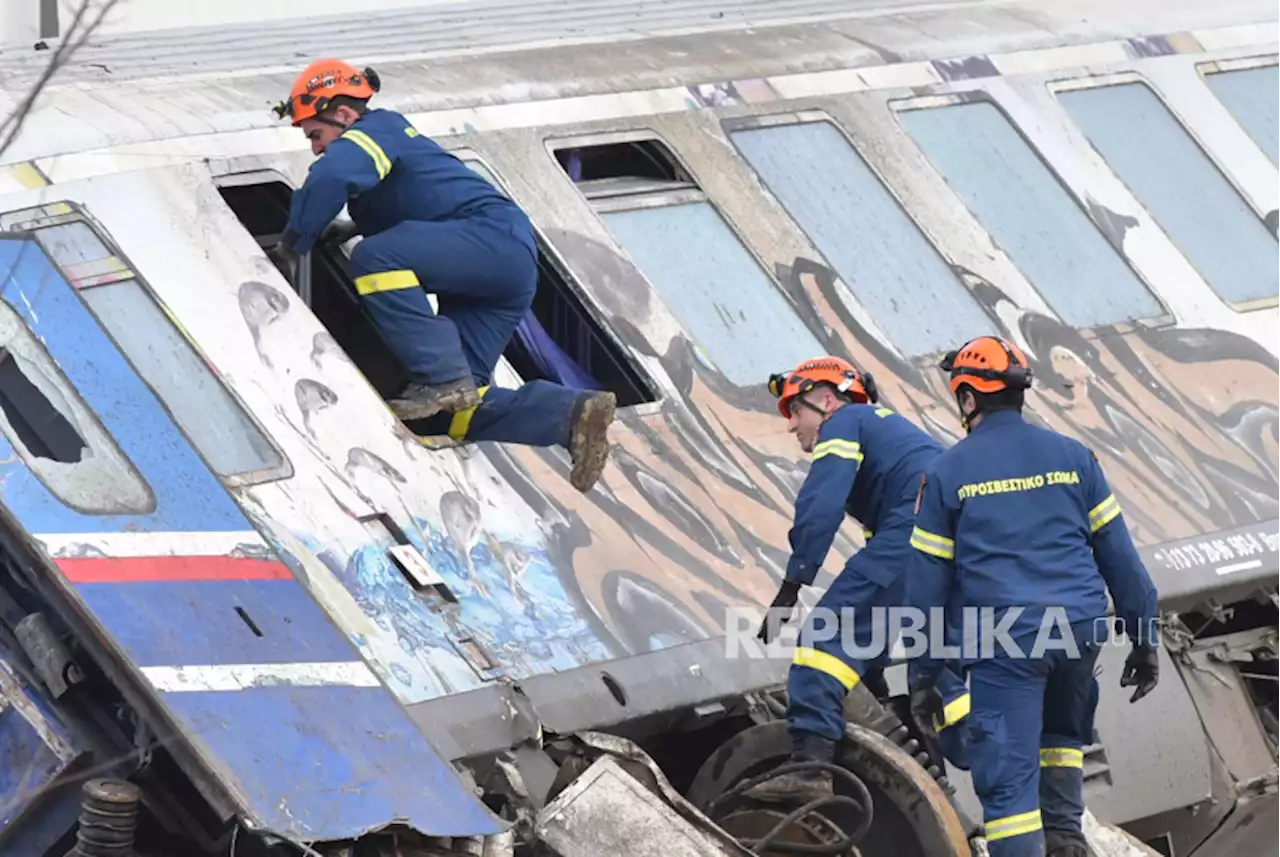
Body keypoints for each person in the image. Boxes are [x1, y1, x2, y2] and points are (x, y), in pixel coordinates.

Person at [271, 59, 615, 492]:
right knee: (459, 409)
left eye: (315, 135)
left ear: (343, 115)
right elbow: (422, 198)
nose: (315, 148)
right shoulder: (386, 142)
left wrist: (292, 244)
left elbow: (333, 176)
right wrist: (351, 225)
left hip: (489, 241)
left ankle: (439, 375)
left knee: (375, 259)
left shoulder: (373, 131)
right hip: (502, 262)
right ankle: (570, 414)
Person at [904, 335, 1160, 857]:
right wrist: (1144, 639)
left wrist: (924, 675)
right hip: (1079, 633)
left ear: (969, 398)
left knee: (1008, 793)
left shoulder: (949, 472)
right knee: (1062, 746)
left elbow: (925, 590)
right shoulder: (1074, 458)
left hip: (1010, 641)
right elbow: (1122, 561)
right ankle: (1066, 840)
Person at [744, 356, 953, 802]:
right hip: (944, 549)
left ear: (825, 400)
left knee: (823, 642)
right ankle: (903, 754)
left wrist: (792, 585)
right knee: (863, 660)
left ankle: (811, 767)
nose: (791, 426)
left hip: (912, 539)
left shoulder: (846, 422)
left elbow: (821, 504)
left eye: (795, 410)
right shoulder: (892, 437)